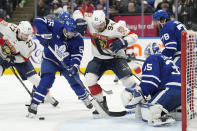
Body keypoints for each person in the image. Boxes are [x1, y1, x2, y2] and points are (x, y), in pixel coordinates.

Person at [72, 10, 138, 114]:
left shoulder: (115, 27)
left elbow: (134, 36)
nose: (98, 28)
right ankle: (100, 103)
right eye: (96, 25)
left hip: (116, 58)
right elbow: (78, 11)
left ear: (105, 21)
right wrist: (78, 19)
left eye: (101, 25)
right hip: (99, 59)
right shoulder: (90, 21)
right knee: (89, 80)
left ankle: (139, 100)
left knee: (129, 82)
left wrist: (123, 42)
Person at [27, 15, 93, 117]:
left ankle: (85, 98)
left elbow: (77, 55)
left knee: (75, 81)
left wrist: (74, 66)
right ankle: (34, 104)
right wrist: (45, 33)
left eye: (74, 32)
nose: (72, 35)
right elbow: (37, 20)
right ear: (65, 27)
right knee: (46, 81)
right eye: (70, 32)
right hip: (50, 59)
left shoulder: (78, 39)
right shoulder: (56, 25)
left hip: (66, 64)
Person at [0, 19, 58, 107]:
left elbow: (25, 58)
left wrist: (13, 58)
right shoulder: (10, 28)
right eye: (25, 34)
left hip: (20, 59)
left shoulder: (29, 44)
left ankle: (49, 97)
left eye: (28, 35)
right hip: (2, 54)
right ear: (19, 30)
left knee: (36, 79)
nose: (26, 37)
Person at [121, 42, 181, 126]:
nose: (145, 56)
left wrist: (137, 97)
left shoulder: (152, 58)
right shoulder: (168, 59)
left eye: (146, 54)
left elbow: (150, 82)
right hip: (184, 89)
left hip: (171, 89)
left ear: (150, 52)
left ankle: (159, 115)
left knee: (146, 110)